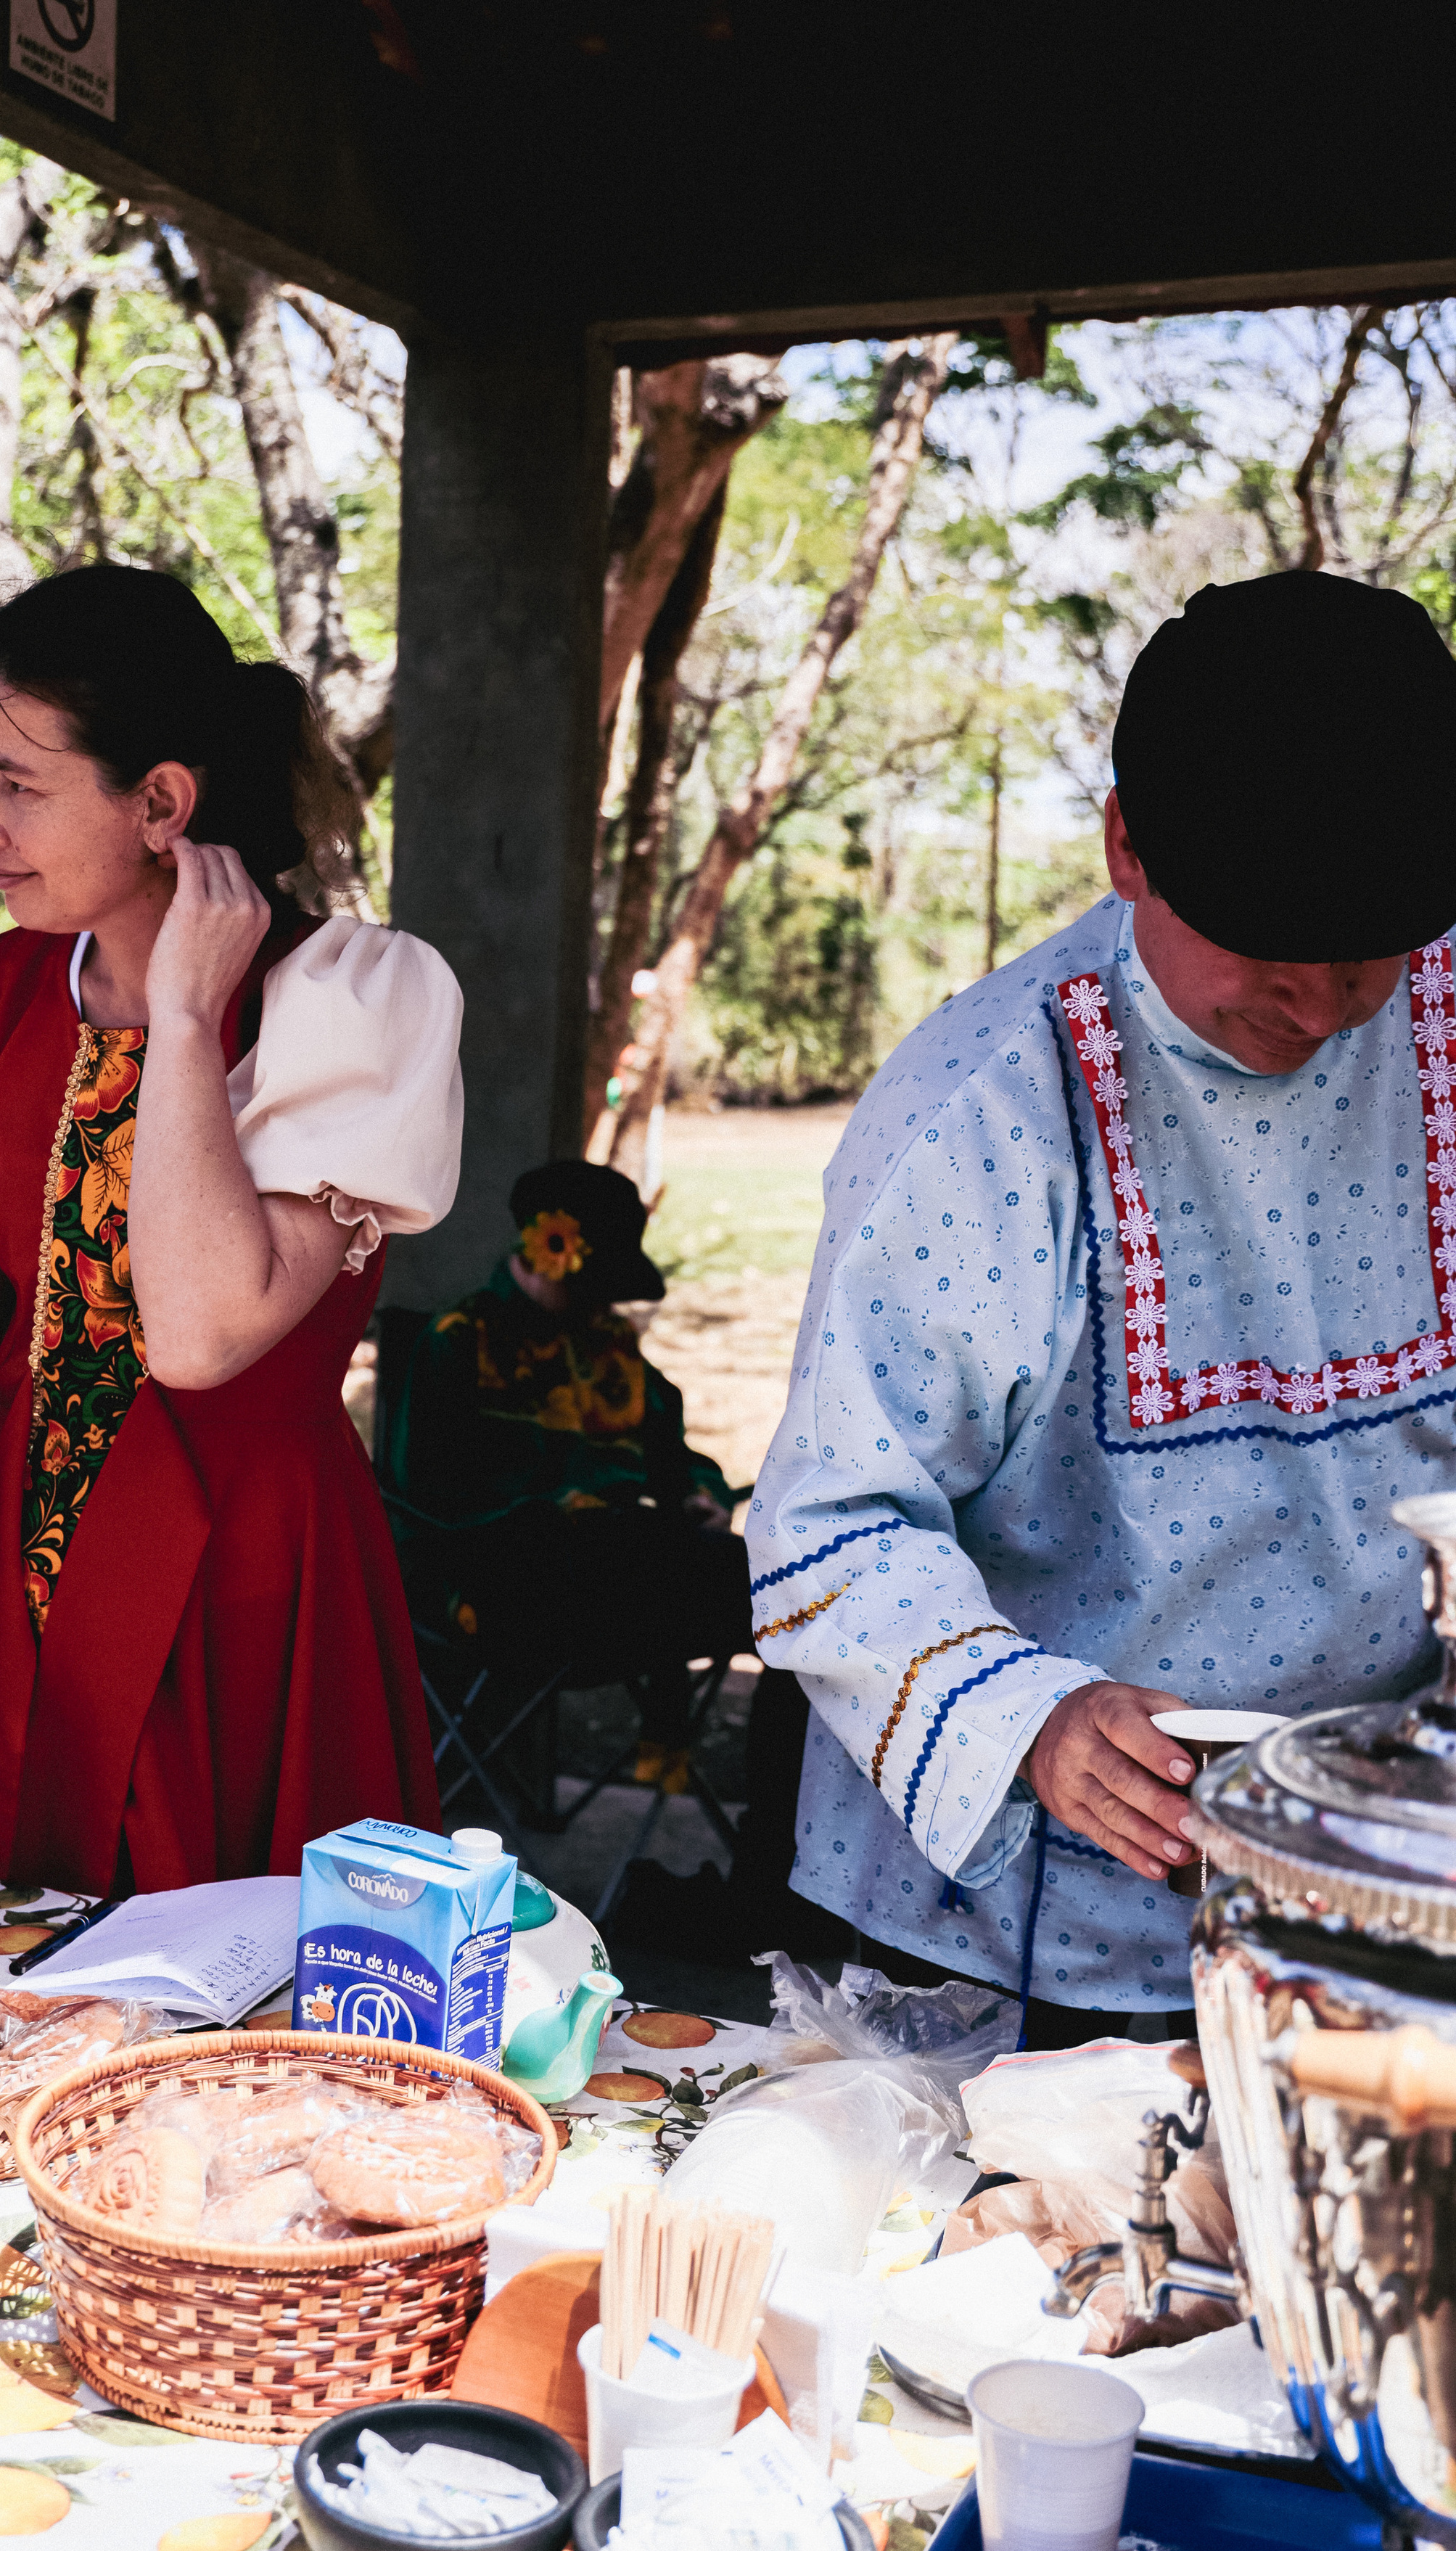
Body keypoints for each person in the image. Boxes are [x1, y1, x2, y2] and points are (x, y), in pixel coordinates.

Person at [748, 570, 1456, 2045]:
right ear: (1126, 844)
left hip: (1383, 1899)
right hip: (1017, 1937)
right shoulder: (985, 1110)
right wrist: (1031, 1719)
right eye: (1265, 937)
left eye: (1369, 947)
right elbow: (829, 1525)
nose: (1323, 996)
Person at [0, 563, 461, 1889]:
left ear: (161, 803)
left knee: (208, 2040)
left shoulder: (349, 1001)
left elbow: (200, 1334)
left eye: (16, 781)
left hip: (235, 1595)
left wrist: (181, 1021)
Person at [389, 1159, 753, 1786]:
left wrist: (699, 1493)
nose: (605, 1300)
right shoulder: (460, 1342)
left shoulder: (610, 1344)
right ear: (547, 1250)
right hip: (504, 1582)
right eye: (595, 1281)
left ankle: (769, 1844)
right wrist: (555, 1510)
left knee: (777, 1584)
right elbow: (425, 1496)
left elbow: (673, 1452)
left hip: (621, 1579)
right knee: (606, 1546)